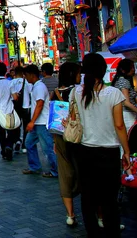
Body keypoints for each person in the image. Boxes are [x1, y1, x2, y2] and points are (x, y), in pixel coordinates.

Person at [72, 53, 131, 237]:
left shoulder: (76, 92)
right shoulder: (112, 93)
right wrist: (127, 151)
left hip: (84, 151)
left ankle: (93, 232)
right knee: (109, 199)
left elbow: (73, 119)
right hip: (109, 153)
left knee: (88, 197)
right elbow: (119, 125)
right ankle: (112, 231)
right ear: (103, 70)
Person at [52, 62, 82, 227]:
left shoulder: (55, 93)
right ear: (72, 74)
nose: (80, 76)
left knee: (64, 173)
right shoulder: (79, 92)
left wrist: (54, 141)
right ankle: (98, 215)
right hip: (78, 135)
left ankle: (70, 215)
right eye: (78, 73)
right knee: (84, 170)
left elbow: (53, 119)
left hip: (60, 136)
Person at [22, 65, 58, 178]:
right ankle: (34, 166)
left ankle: (56, 170)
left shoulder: (39, 87)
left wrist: (32, 121)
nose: (25, 78)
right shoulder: (36, 86)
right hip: (37, 122)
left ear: (32, 75)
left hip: (41, 122)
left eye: (26, 75)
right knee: (29, 143)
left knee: (47, 148)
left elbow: (40, 104)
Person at [0, 62, 20, 161]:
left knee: (0, 133)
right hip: (9, 111)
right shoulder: (10, 83)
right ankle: (9, 145)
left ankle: (4, 151)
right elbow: (15, 97)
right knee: (11, 130)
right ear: (5, 71)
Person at [112, 58, 137, 131]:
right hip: (128, 116)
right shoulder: (124, 81)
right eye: (132, 67)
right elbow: (126, 102)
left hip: (125, 114)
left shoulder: (119, 80)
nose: (134, 70)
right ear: (125, 70)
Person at [11, 65, 32, 153]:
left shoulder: (11, 82)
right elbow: (32, 93)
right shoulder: (27, 82)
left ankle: (17, 141)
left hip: (15, 107)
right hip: (26, 107)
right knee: (26, 126)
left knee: (16, 125)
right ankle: (24, 145)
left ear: (14, 73)